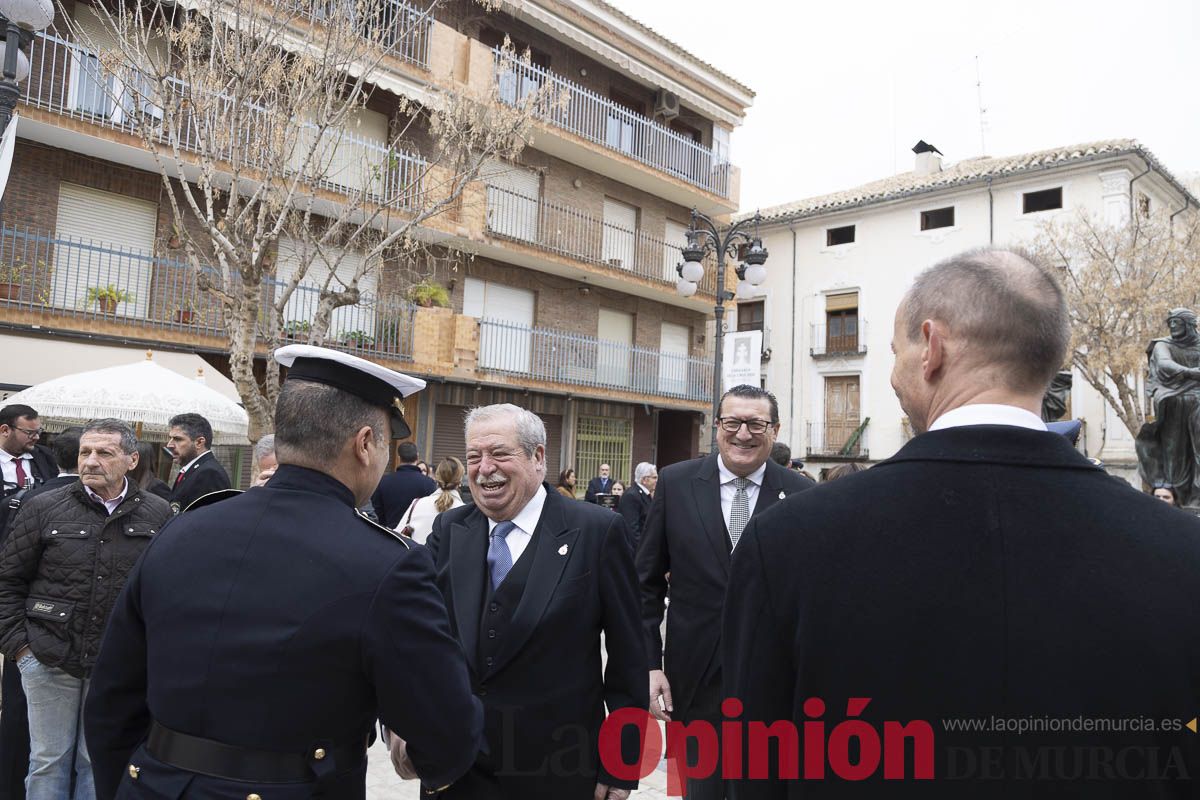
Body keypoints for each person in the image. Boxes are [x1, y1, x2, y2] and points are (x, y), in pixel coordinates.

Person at [724, 248, 1200, 796]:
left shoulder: (786, 543)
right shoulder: (1183, 552)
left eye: (896, 351)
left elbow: (754, 770)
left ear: (931, 348)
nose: (894, 373)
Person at [83, 345, 482, 799]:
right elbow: (447, 733)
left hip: (155, 786)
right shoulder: (388, 563)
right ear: (366, 442)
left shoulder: (183, 528)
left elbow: (110, 701)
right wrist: (432, 760)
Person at [421, 404, 647, 800]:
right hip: (458, 769)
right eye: (474, 457)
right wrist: (406, 725)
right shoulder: (449, 529)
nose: (484, 468)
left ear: (538, 456)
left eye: (500, 454)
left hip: (558, 768)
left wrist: (622, 761)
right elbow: (423, 639)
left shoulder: (596, 532)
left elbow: (628, 657)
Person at [637, 384, 814, 800]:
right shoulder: (676, 483)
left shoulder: (803, 495)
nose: (743, 434)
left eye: (756, 423)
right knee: (700, 789)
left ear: (775, 429)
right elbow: (643, 583)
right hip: (693, 679)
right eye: (732, 422)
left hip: (776, 681)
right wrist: (649, 665)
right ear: (716, 427)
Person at [0, 419, 171, 800]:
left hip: (116, 662)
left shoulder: (158, 514)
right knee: (47, 761)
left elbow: (165, 590)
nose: (91, 461)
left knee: (97, 760)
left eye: (104, 453)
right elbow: (7, 580)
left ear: (131, 460)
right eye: (85, 452)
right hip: (48, 656)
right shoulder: (42, 506)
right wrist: (21, 650)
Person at [0, 426, 81, 800]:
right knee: (48, 753)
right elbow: (9, 576)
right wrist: (20, 648)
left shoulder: (148, 509)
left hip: (84, 652)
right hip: (37, 645)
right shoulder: (34, 503)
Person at [1137, 308, 1200, 507]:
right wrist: (1192, 373)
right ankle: (1178, 497)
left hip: (1197, 400)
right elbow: (1164, 365)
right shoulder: (1162, 345)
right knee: (1175, 454)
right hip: (1172, 402)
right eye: (1170, 322)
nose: (1172, 326)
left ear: (1189, 325)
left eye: (1177, 322)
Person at [0, 405, 58, 538]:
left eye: (39, 431)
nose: (36, 437)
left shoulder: (45, 456)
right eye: (29, 432)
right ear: (5, 430)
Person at [165, 412, 231, 513]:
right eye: (170, 438)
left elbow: (206, 520)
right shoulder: (193, 469)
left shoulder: (209, 473)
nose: (169, 445)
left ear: (199, 442)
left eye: (177, 439)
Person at [399, 457, 465, 545]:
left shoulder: (418, 504)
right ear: (460, 480)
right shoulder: (465, 512)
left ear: (437, 478)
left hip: (417, 557)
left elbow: (398, 533)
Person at [370, 440, 436, 528]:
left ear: (399, 457)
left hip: (390, 534)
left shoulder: (383, 482)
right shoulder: (429, 483)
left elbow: (377, 511)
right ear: (417, 456)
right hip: (417, 537)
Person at [617, 462, 656, 551]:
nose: (656, 480)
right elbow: (632, 529)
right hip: (635, 552)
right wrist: (643, 551)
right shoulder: (631, 496)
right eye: (654, 477)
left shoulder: (645, 494)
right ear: (645, 479)